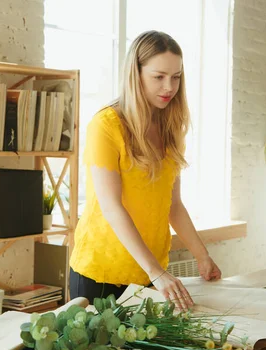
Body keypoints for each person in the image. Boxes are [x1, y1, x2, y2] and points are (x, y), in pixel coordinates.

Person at [69, 30, 221, 311]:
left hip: (149, 276)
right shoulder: (106, 125)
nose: (169, 87)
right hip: (101, 274)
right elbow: (111, 207)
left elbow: (173, 205)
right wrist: (158, 273)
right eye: (159, 77)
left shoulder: (171, 129)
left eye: (176, 77)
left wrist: (202, 255)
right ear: (135, 74)